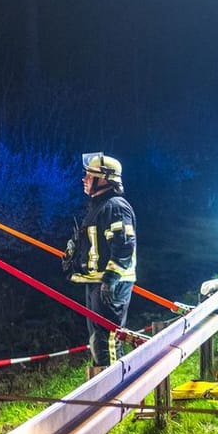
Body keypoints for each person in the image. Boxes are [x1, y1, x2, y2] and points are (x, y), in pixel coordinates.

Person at [62, 153, 136, 371]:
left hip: (110, 283)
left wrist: (111, 279)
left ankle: (116, 393)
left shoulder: (116, 207)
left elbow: (124, 245)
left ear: (104, 178)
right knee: (97, 339)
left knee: (108, 339)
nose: (84, 179)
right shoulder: (98, 207)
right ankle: (104, 388)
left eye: (89, 175)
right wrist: (72, 259)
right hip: (96, 282)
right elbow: (95, 246)